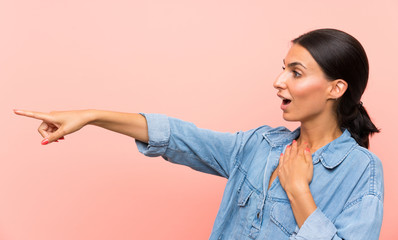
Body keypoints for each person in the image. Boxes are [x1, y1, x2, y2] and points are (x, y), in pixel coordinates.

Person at [14, 28, 383, 239]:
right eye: (282, 69)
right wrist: (91, 115)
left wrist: (300, 192)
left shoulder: (361, 171)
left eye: (296, 73)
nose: (278, 81)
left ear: (335, 88)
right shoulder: (258, 145)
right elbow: (178, 137)